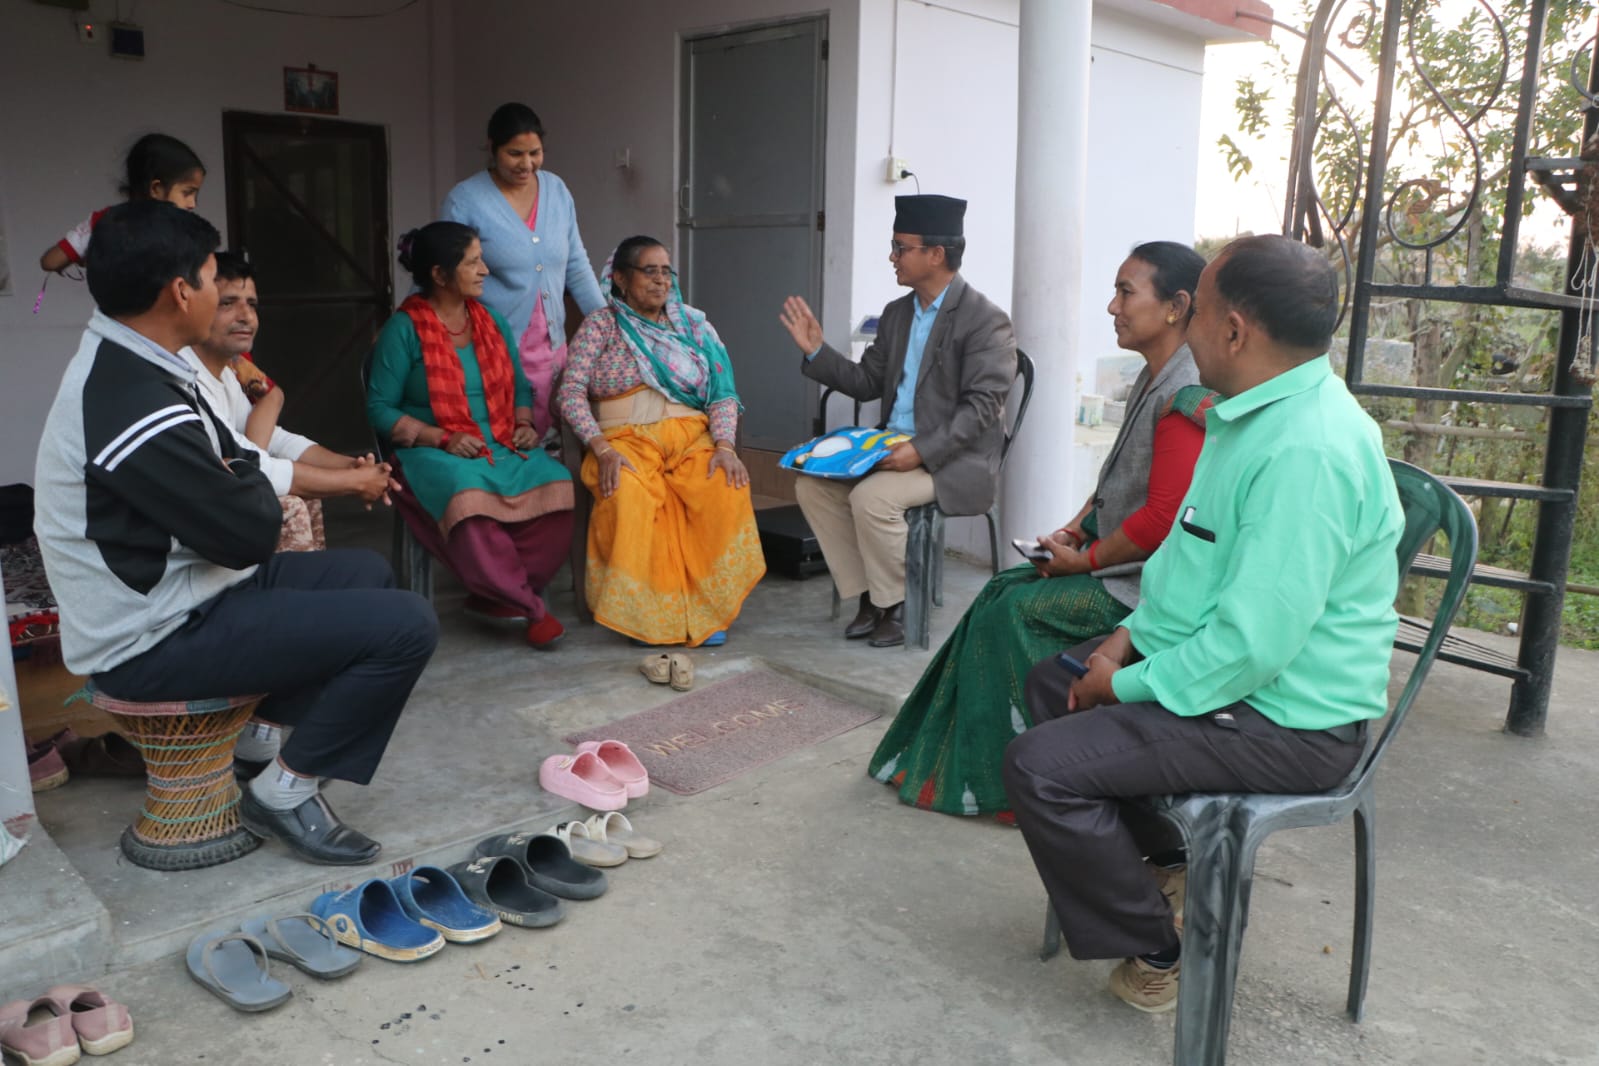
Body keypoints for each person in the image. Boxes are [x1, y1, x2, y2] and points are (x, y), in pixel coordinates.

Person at [1001, 234, 1404, 1013]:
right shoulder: (1248, 417)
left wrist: (1124, 684)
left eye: (1197, 313)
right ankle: (1167, 861)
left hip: (1288, 721)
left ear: (1234, 330)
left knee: (1040, 767)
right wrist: (1124, 641)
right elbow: (1191, 569)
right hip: (1237, 680)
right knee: (1055, 683)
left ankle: (1163, 949)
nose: (1186, 330)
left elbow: (1251, 648)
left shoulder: (1306, 452)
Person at [33, 201, 437, 865]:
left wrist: (238, 477)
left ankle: (256, 742)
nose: (226, 298)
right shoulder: (132, 402)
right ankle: (285, 790)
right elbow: (248, 532)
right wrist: (242, 481)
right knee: (407, 625)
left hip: (196, 589)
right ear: (181, 292)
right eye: (212, 280)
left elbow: (241, 460)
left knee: (367, 574)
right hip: (151, 636)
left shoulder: (148, 363)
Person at [869, 242, 1212, 816]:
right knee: (1000, 588)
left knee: (1012, 610)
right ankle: (967, 768)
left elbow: (1160, 521)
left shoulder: (1185, 392)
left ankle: (1017, 781)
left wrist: (1087, 560)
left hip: (1141, 587)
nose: (1112, 306)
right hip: (1116, 564)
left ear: (1176, 306)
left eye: (1126, 293)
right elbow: (1117, 480)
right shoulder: (1153, 376)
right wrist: (1074, 530)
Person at [779, 194, 1017, 647]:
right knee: (813, 486)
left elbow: (982, 407)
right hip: (891, 447)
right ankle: (870, 596)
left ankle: (898, 604)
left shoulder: (985, 321)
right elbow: (867, 381)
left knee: (872, 497)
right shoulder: (898, 314)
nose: (892, 257)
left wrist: (921, 451)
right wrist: (817, 351)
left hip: (953, 458)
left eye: (900, 247)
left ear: (936, 254)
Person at [367, 221, 575, 649]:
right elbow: (380, 408)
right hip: (431, 450)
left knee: (559, 484)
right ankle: (529, 606)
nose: (485, 270)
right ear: (440, 274)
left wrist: (523, 424)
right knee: (467, 497)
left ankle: (500, 594)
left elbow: (519, 386)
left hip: (498, 441)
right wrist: (440, 438)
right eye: (473, 262)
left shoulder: (490, 320)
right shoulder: (403, 330)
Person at [558, 236, 765, 647]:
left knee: (723, 487)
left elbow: (723, 393)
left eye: (666, 271)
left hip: (691, 439)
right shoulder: (601, 325)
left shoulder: (694, 325)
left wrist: (724, 447)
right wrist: (601, 448)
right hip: (623, 442)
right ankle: (648, 616)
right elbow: (570, 393)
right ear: (620, 278)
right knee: (629, 495)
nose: (660, 280)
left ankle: (709, 611)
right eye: (648, 271)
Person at [187, 251, 399, 551]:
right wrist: (353, 482)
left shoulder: (227, 374)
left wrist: (350, 467)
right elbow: (252, 462)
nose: (246, 316)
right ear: (193, 304)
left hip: (223, 500)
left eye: (251, 305)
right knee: (290, 507)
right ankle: (284, 583)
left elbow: (274, 439)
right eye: (227, 303)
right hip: (190, 520)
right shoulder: (185, 377)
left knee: (304, 497)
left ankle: (304, 581)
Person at [442, 102, 605, 439]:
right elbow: (443, 271)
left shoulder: (557, 191)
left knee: (555, 443)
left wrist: (606, 326)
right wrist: (411, 323)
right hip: (493, 348)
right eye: (515, 154)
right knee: (507, 440)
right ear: (492, 148)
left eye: (535, 153)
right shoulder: (466, 199)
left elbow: (576, 265)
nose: (526, 164)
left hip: (552, 349)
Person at [39, 133, 205, 274]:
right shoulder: (179, 233)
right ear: (156, 188)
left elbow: (51, 262)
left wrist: (90, 257)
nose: (192, 204)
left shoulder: (105, 221)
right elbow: (50, 262)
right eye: (187, 193)